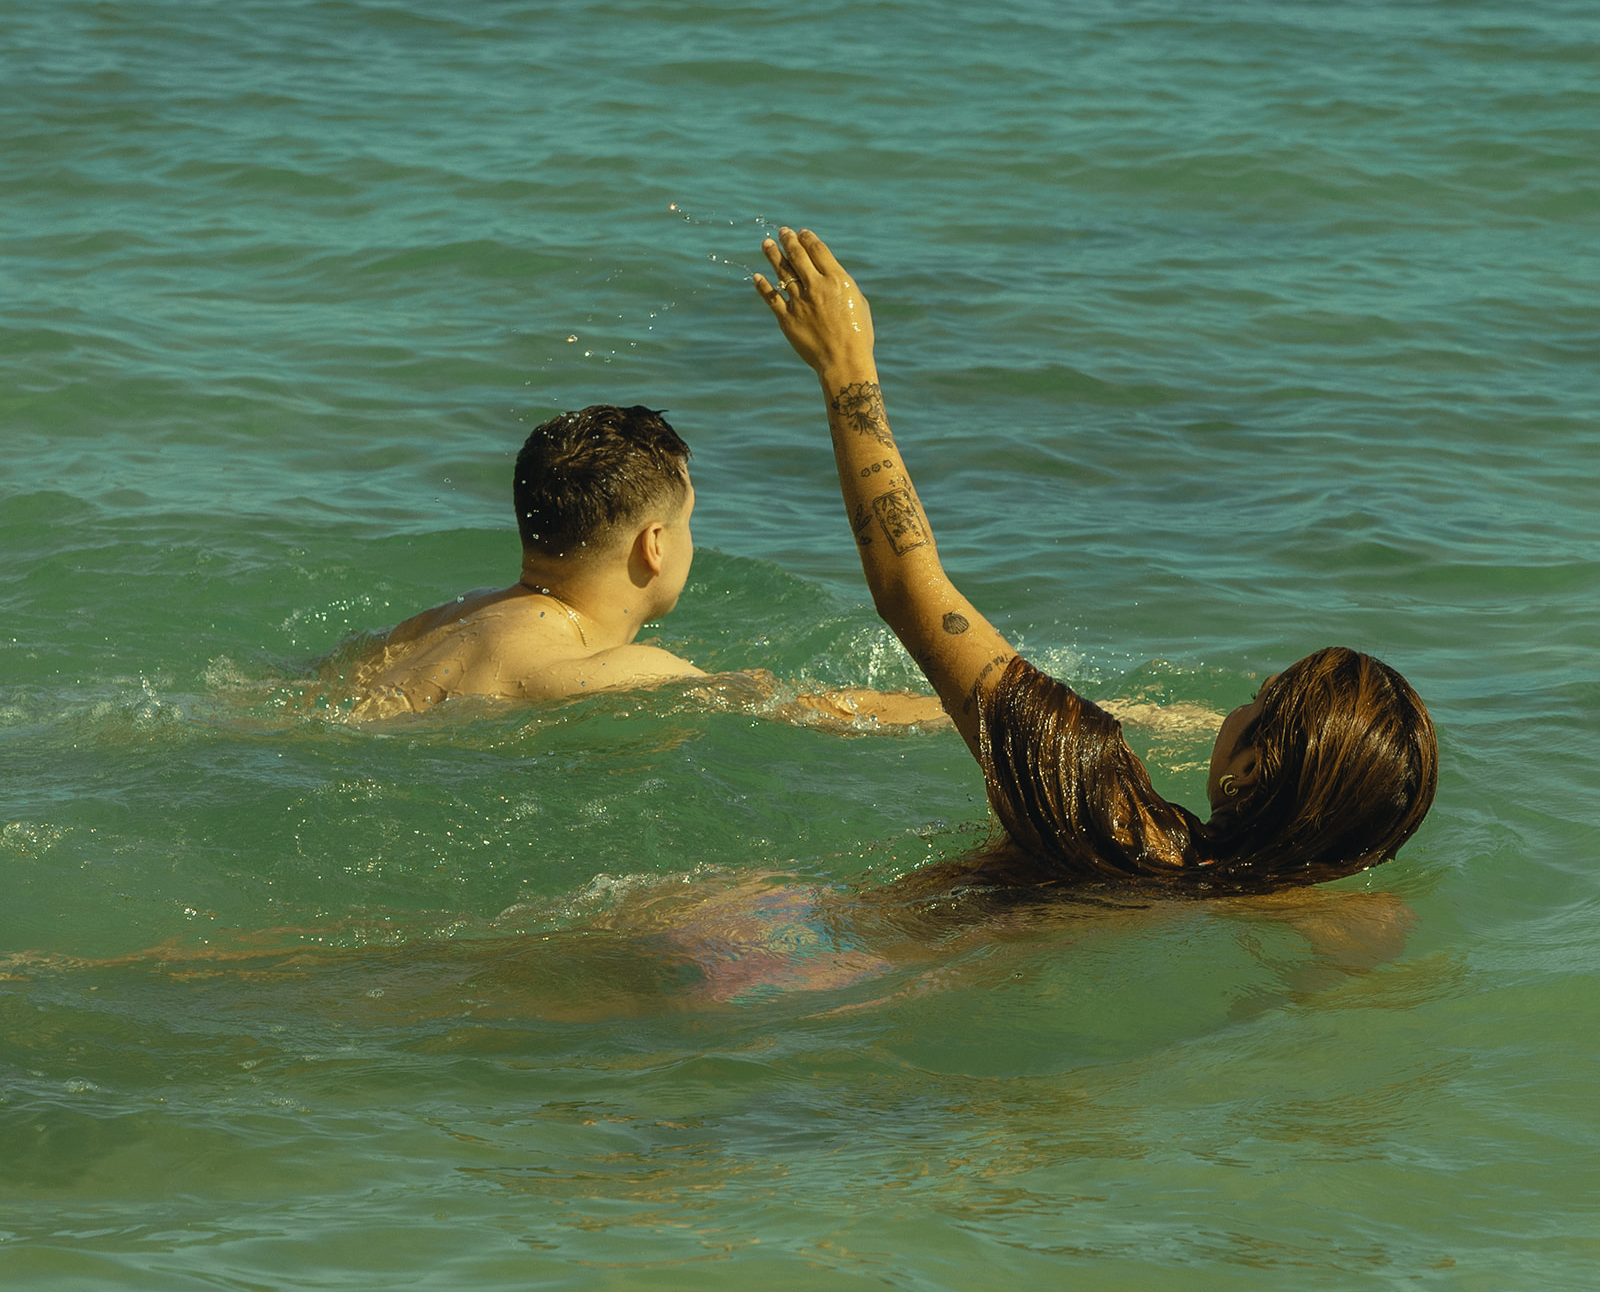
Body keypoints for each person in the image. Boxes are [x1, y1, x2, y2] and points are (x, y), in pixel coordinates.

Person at [754, 227, 1437, 891]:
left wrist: (846, 365)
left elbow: (911, 590)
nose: (1250, 691)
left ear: (1248, 774)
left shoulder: (1110, 821)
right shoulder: (1295, 910)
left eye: (1260, 700)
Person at [348, 402, 944, 727]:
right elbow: (800, 708)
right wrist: (968, 706)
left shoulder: (442, 622)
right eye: (689, 521)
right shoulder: (619, 670)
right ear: (653, 543)